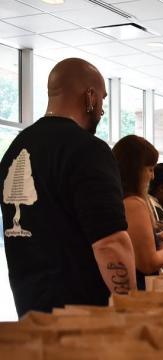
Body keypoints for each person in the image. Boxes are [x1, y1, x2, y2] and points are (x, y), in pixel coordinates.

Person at [0, 58, 136, 316]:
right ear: (90, 96)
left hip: (30, 315)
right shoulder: (88, 150)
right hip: (84, 318)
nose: (102, 110)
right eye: (103, 100)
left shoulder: (15, 150)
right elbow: (110, 243)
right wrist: (130, 309)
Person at [112, 135, 163, 290]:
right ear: (135, 170)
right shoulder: (135, 204)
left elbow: (127, 243)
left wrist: (155, 237)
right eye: (150, 169)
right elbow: (149, 263)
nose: (152, 176)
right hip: (138, 287)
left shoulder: (117, 199)